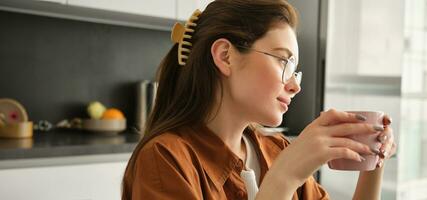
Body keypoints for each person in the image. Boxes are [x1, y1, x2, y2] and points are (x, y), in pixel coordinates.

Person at [122, 0, 396, 199]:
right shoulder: (165, 159)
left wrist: (373, 163)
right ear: (225, 56)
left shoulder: (276, 150)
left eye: (295, 69)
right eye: (283, 60)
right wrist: (283, 179)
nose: (295, 85)